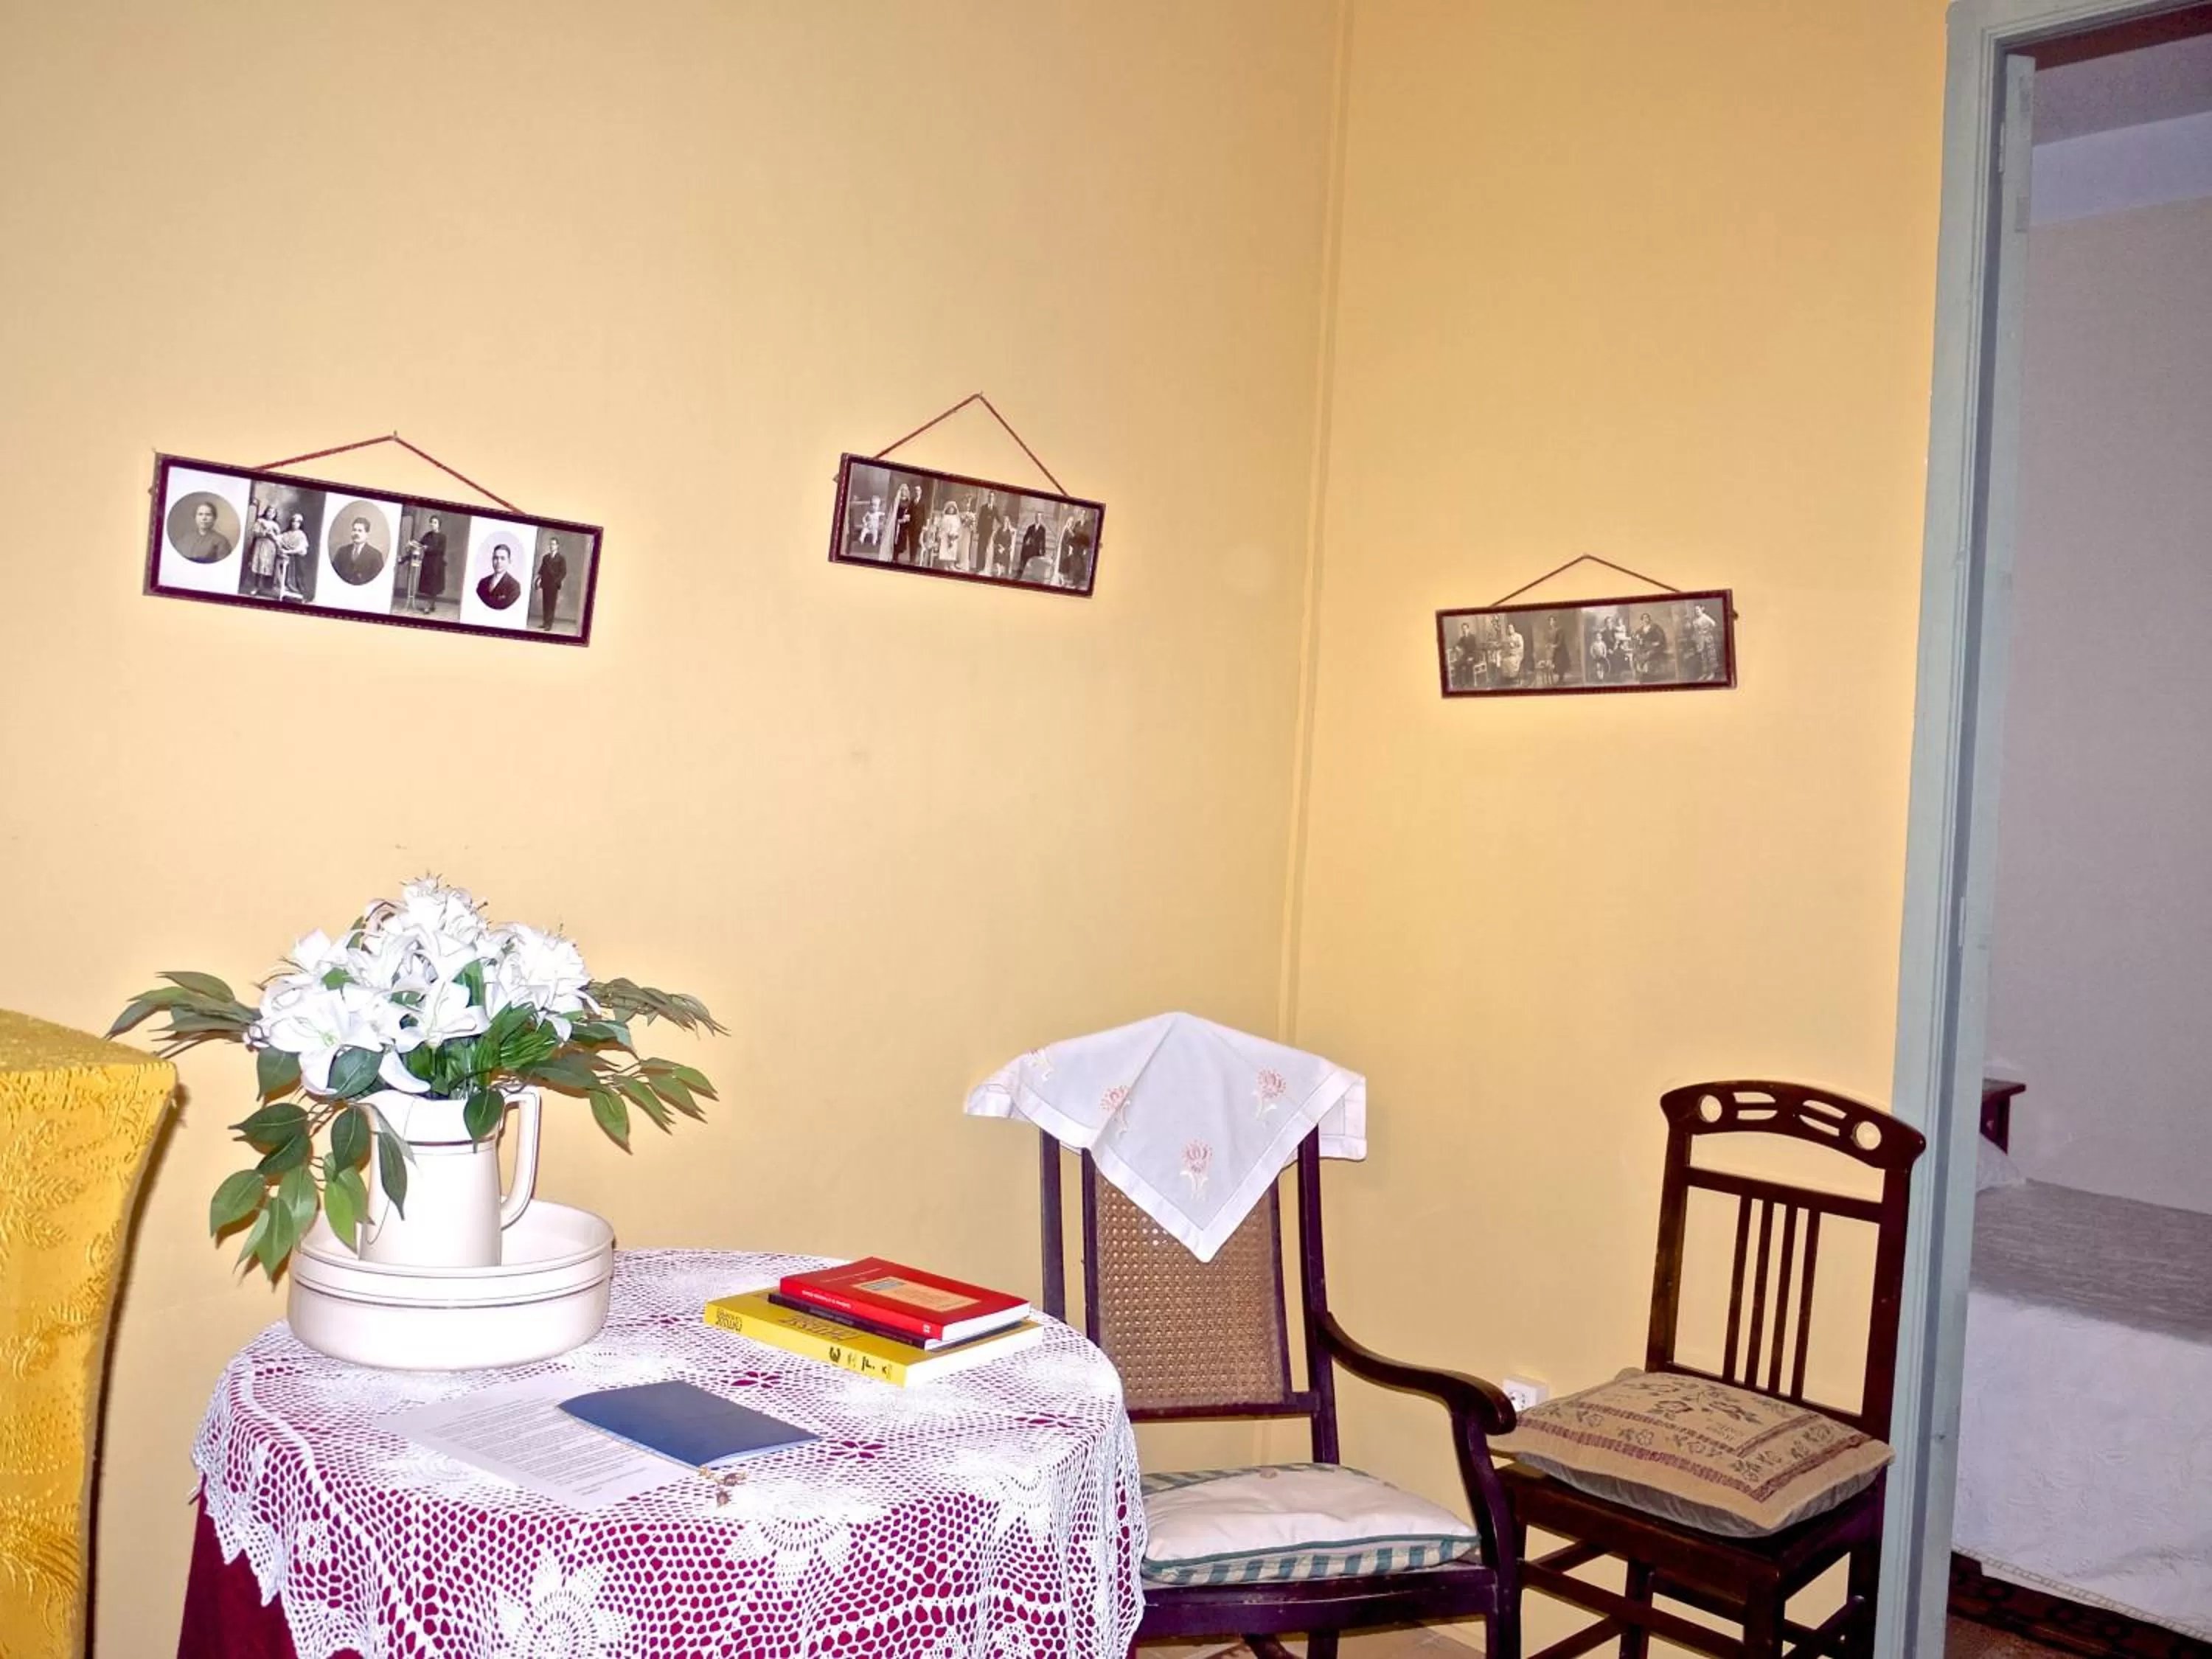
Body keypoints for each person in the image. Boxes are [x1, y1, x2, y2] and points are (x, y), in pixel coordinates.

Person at [330, 515, 385, 585]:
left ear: (367, 534)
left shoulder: (375, 555)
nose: (356, 533)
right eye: (354, 530)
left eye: (360, 531)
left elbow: (378, 582)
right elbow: (333, 575)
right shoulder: (342, 551)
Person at [179, 498, 232, 564]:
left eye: (208, 515)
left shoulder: (221, 541)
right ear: (195, 517)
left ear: (214, 518)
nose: (204, 518)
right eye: (200, 514)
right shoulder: (186, 538)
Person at [246, 500, 281, 594]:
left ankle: (265, 588)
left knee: (267, 566)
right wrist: (264, 533)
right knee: (259, 565)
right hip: (261, 545)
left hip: (270, 547)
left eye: (273, 512)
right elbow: (255, 532)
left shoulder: (276, 525)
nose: (271, 514)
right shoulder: (260, 521)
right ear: (266, 512)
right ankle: (256, 587)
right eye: (269, 511)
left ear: (275, 514)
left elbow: (279, 537)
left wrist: (273, 535)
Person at [534, 535, 568, 630]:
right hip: (545, 583)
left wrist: (556, 581)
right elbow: (542, 570)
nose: (551, 546)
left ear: (557, 546)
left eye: (553, 544)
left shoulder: (561, 558)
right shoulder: (545, 557)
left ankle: (549, 624)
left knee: (551, 604)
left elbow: (563, 572)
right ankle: (545, 623)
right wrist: (538, 579)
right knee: (545, 603)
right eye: (550, 544)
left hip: (554, 584)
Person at [275, 512, 310, 601]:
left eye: (298, 522)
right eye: (294, 521)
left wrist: (288, 551)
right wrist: (280, 548)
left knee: (299, 577)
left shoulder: (301, 535)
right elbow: (277, 539)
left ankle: (300, 595)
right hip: (287, 559)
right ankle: (286, 590)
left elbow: (301, 549)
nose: (295, 524)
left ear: (300, 524)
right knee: (280, 567)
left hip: (298, 559)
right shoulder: (286, 534)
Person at [476, 543, 521, 611]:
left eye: (503, 558)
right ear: (492, 560)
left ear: (509, 561)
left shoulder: (514, 586)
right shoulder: (483, 582)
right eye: (496, 558)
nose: (498, 562)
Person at [1057, 511, 1093, 588]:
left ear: (1086, 515)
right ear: (1080, 515)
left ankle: (1078, 582)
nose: (1082, 516)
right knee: (1074, 564)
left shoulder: (1088, 525)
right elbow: (1072, 534)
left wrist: (1086, 549)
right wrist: (1071, 544)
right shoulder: (1077, 524)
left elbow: (1088, 538)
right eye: (1082, 514)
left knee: (1080, 565)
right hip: (1076, 547)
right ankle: (1073, 581)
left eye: (1084, 514)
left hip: (1082, 548)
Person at [1686, 601, 1720, 679]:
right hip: (1700, 640)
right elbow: (1695, 630)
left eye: (1698, 610)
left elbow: (1714, 624)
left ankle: (1712, 673)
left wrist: (1707, 631)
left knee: (1710, 656)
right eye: (1695, 610)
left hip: (1708, 639)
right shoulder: (1695, 620)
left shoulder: (1706, 617)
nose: (1696, 612)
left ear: (1702, 609)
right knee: (1703, 657)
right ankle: (1705, 673)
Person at [1633, 610, 1672, 681]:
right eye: (1644, 618)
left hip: (1654, 647)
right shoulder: (1640, 630)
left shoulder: (1655, 627)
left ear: (1649, 619)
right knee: (1637, 654)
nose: (1645, 619)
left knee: (1648, 654)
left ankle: (1644, 674)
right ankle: (1642, 673)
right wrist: (1638, 640)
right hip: (1644, 647)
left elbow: (1661, 636)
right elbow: (1637, 639)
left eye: (1647, 618)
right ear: (1642, 620)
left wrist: (1658, 642)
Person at [889, 485, 917, 563]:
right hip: (897, 522)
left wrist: (906, 519)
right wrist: (897, 520)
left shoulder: (909, 501)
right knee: (895, 539)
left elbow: (910, 512)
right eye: (903, 490)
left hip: (904, 524)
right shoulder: (897, 500)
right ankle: (894, 557)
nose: (904, 492)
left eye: (905, 490)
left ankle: (897, 555)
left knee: (902, 540)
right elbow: (894, 511)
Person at [1019, 515, 1051, 582]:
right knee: (1025, 553)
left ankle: (1034, 577)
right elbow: (1025, 537)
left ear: (1041, 518)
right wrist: (1027, 541)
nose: (1038, 518)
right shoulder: (1031, 527)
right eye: (1037, 517)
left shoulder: (1043, 529)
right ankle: (1022, 574)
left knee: (1037, 560)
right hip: (1030, 547)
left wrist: (1043, 551)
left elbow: (1043, 541)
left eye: (1039, 517)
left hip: (1037, 549)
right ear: (1035, 518)